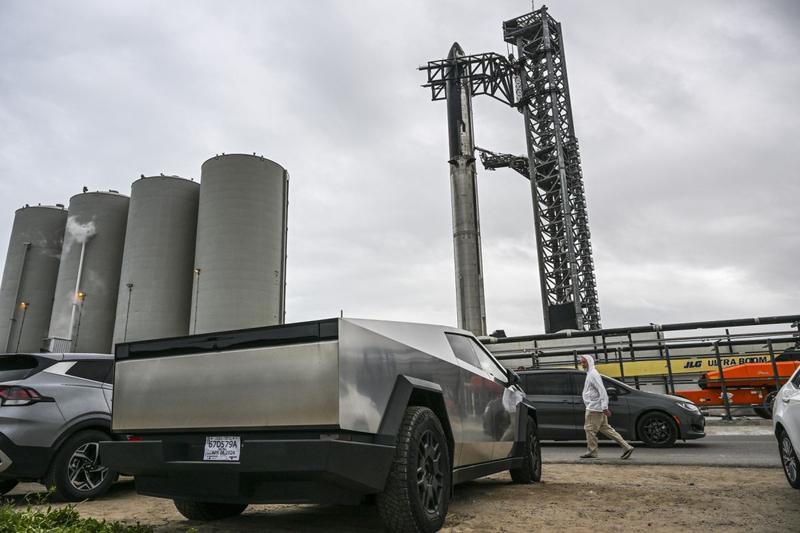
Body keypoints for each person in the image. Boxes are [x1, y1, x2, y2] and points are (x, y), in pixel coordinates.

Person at [579, 354, 634, 459]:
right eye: (581, 362)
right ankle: (627, 447)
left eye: (584, 362)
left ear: (589, 362)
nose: (582, 364)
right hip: (597, 406)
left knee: (589, 429)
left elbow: (602, 390)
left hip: (594, 408)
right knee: (606, 429)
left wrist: (604, 407)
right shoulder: (590, 373)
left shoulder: (593, 375)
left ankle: (592, 451)